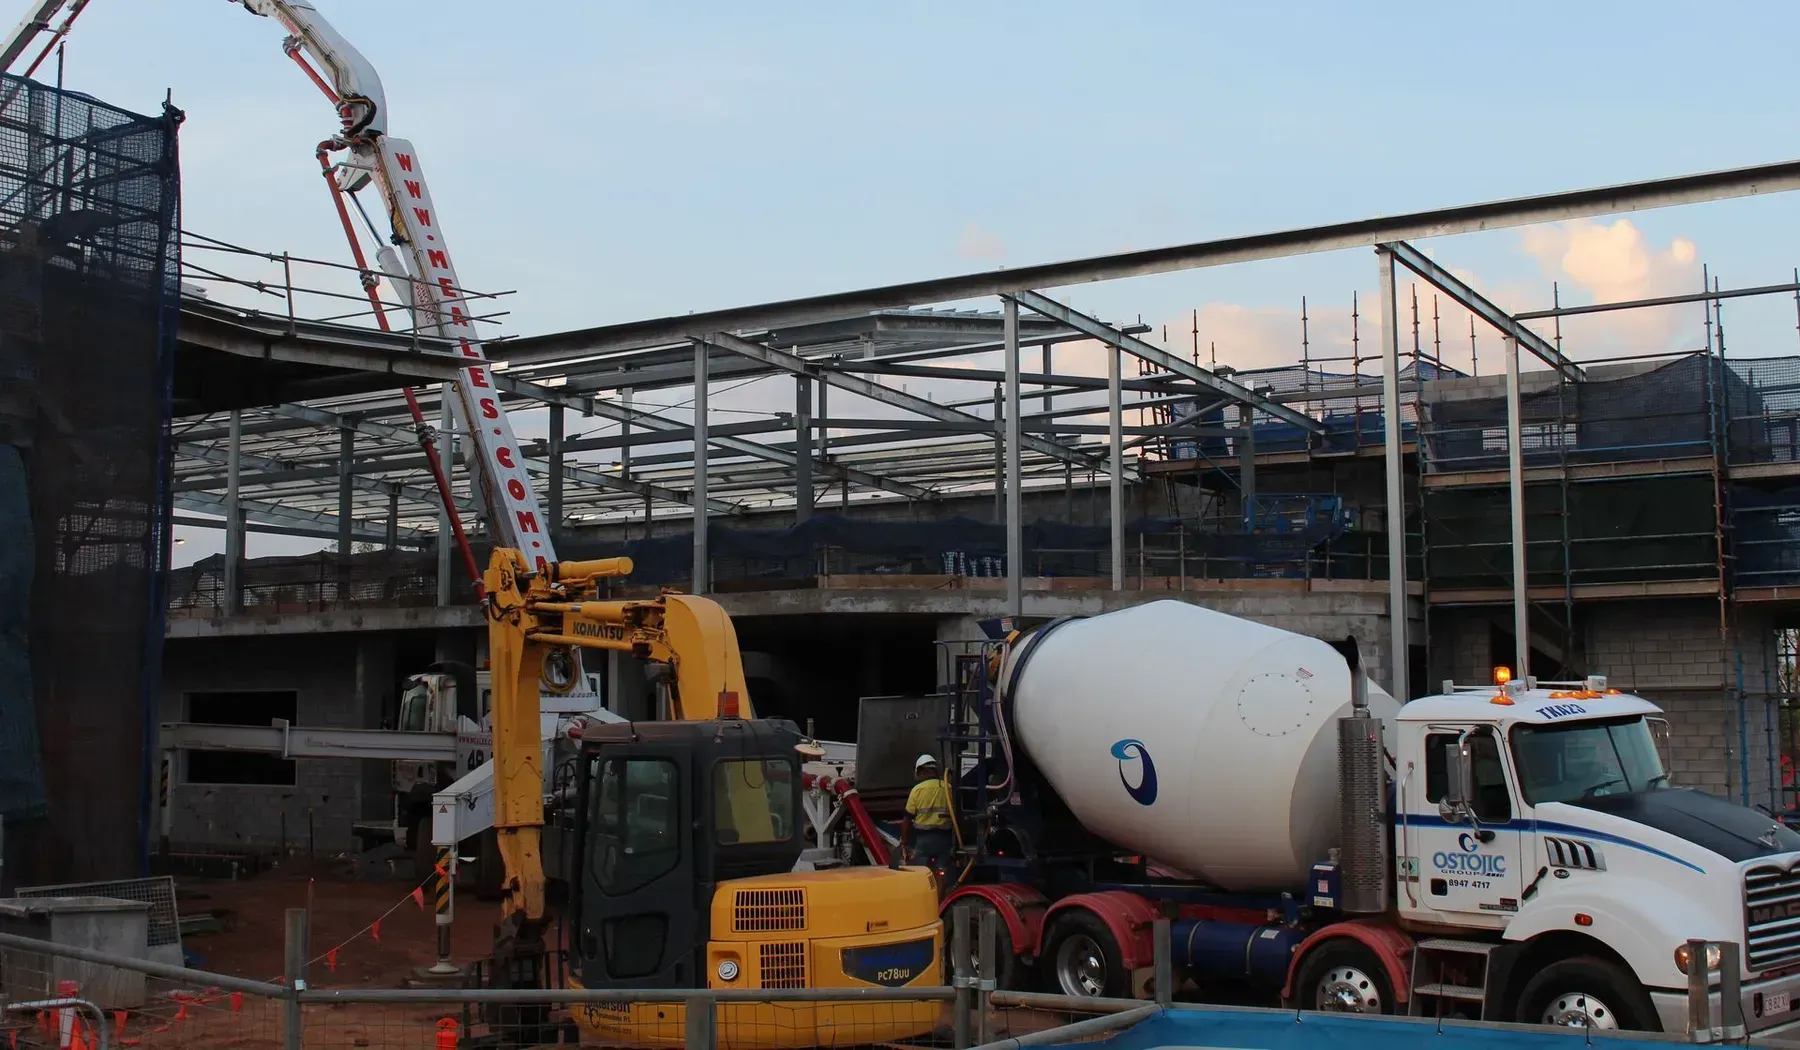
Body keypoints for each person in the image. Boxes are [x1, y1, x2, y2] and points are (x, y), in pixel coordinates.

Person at [900, 753, 953, 878]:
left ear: (920, 771)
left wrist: (905, 842)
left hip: (923, 841)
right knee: (942, 874)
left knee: (921, 875)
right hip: (944, 840)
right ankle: (940, 896)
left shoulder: (917, 790)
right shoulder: (948, 788)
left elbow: (906, 820)